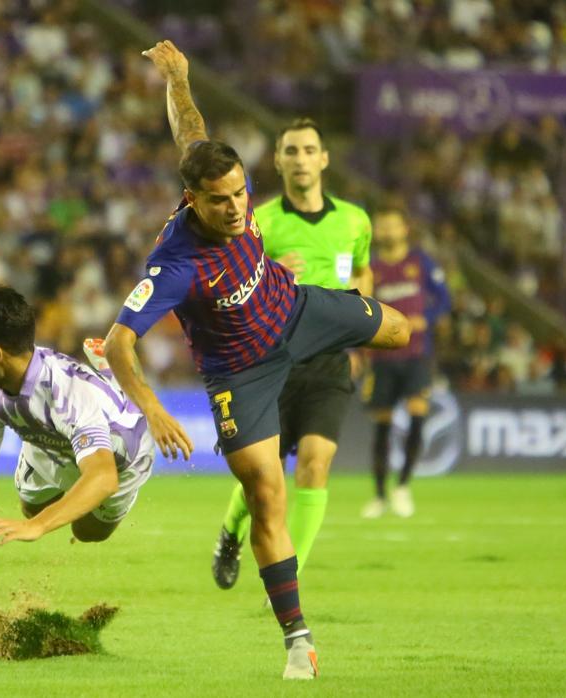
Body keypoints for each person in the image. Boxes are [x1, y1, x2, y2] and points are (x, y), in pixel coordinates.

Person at [101, 40, 411, 679]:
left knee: (401, 332)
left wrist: (179, 76)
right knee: (267, 492)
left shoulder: (227, 189)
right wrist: (154, 410)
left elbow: (190, 127)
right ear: (191, 200)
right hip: (240, 373)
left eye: (242, 193)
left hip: (295, 309)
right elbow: (118, 341)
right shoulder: (175, 265)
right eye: (220, 201)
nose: (238, 207)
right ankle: (298, 639)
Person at [0, 285, 155, 606]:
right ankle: (107, 379)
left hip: (123, 451)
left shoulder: (65, 394)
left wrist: (37, 527)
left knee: (87, 531)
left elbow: (104, 477)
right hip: (51, 442)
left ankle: (118, 376)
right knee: (31, 506)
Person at [213, 118, 374, 590]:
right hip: (272, 358)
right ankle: (230, 533)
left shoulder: (354, 221)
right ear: (278, 161)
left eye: (309, 150)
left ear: (324, 159)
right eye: (291, 151)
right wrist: (268, 270)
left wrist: (364, 331)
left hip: (329, 360)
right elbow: (230, 286)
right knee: (263, 472)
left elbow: (363, 273)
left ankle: (290, 574)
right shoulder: (257, 222)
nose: (301, 159)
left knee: (315, 462)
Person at [362, 206, 450, 518]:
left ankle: (402, 486)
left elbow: (443, 299)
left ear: (404, 230)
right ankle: (379, 495)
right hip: (382, 357)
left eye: (391, 226)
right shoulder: (370, 268)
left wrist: (425, 318)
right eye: (381, 225)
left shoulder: (420, 262)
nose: (386, 231)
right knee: (382, 425)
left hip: (416, 355)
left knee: (417, 414)